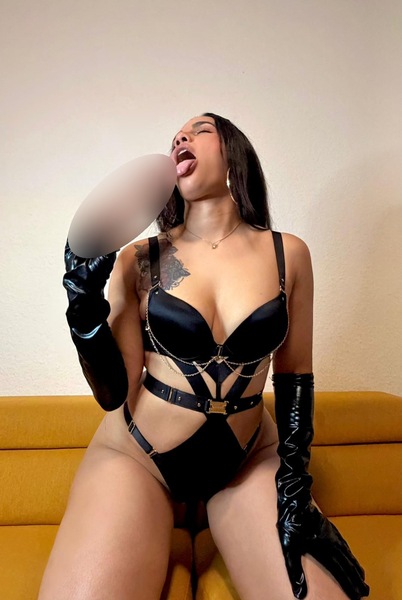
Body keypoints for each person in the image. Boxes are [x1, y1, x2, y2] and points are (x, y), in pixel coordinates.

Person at [39, 113, 370, 600]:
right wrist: (83, 310)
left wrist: (295, 488)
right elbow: (113, 393)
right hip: (138, 458)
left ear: (233, 153)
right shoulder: (141, 258)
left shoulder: (288, 255)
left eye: (201, 130)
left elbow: (296, 376)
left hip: (247, 462)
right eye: (177, 134)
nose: (182, 136)